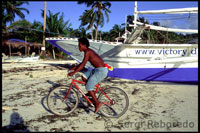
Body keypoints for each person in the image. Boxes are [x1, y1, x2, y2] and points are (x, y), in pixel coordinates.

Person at [68, 37, 108, 113]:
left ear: (84, 45)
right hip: (96, 70)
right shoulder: (87, 52)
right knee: (84, 77)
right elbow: (82, 63)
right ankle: (91, 94)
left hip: (101, 71)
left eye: (79, 45)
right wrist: (74, 68)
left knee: (88, 86)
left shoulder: (88, 52)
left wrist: (73, 72)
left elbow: (83, 65)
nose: (78, 46)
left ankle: (97, 103)